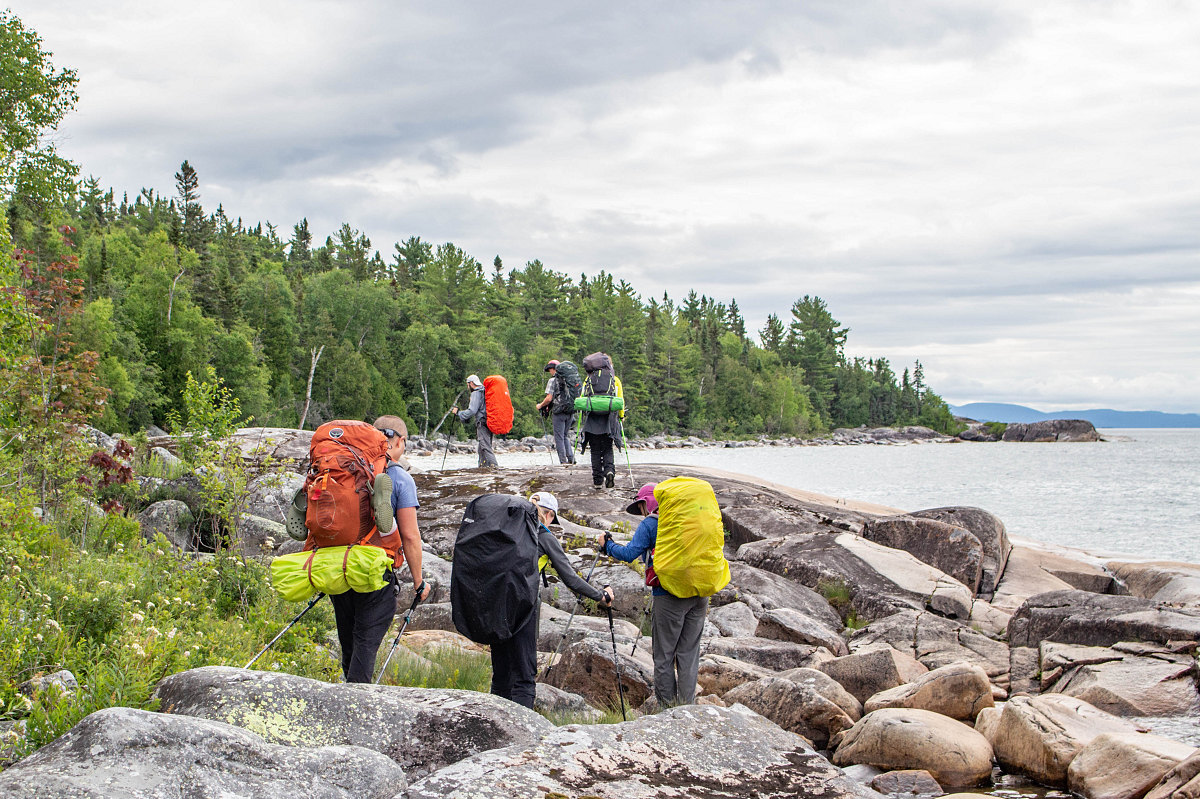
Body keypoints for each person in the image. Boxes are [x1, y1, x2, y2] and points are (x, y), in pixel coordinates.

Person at [490, 491, 614, 709]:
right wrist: (600, 596)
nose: (551, 523)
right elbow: (571, 579)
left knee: (501, 673)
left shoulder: (506, 529)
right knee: (524, 676)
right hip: (524, 606)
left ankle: (495, 723)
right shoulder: (544, 536)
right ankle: (521, 733)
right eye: (551, 518)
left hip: (497, 602)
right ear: (547, 514)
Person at [330, 415, 430, 683]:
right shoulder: (400, 478)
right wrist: (419, 582)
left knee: (348, 640)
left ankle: (347, 688)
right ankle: (354, 701)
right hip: (374, 571)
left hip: (339, 567)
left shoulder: (347, 469)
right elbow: (410, 536)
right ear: (401, 441)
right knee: (365, 641)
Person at [600, 483, 706, 707]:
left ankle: (668, 709)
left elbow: (629, 554)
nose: (641, 512)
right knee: (688, 653)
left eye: (640, 506)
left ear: (648, 503)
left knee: (664, 655)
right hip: (700, 591)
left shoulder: (651, 523)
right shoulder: (690, 519)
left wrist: (607, 545)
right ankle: (688, 707)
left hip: (669, 595)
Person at [579, 354, 623, 489]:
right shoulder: (615, 380)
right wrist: (621, 417)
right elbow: (620, 401)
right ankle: (609, 471)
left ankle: (598, 481)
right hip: (609, 420)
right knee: (608, 449)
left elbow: (582, 398)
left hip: (592, 420)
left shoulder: (589, 379)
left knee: (595, 450)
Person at [450, 374, 498, 468]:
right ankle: (482, 467)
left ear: (471, 383)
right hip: (490, 422)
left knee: (485, 446)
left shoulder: (476, 393)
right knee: (481, 448)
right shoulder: (485, 391)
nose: (468, 387)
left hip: (482, 423)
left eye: (468, 385)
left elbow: (472, 410)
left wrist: (459, 413)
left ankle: (495, 467)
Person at [535, 359, 576, 467]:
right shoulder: (569, 379)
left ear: (554, 369)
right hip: (571, 411)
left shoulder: (553, 380)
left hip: (559, 411)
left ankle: (563, 461)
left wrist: (540, 405)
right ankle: (571, 458)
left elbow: (549, 398)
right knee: (565, 435)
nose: (550, 372)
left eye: (550, 370)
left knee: (559, 437)